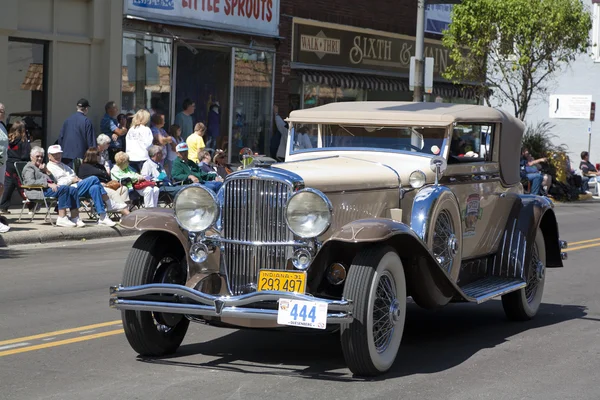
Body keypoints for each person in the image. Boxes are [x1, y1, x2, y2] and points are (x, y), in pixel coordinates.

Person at [45, 144, 117, 227]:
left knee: (95, 187)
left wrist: (75, 179)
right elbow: (58, 184)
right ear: (49, 156)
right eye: (55, 154)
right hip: (67, 190)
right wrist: (71, 180)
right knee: (94, 178)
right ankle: (109, 203)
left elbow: (75, 176)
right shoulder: (49, 167)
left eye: (59, 154)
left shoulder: (64, 166)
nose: (57, 156)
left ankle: (103, 216)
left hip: (76, 186)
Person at [22, 147, 81, 228]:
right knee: (64, 189)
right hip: (37, 191)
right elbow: (29, 182)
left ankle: (75, 217)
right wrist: (47, 184)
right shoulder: (29, 167)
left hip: (46, 189)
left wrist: (46, 171)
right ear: (31, 157)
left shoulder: (41, 167)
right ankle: (62, 218)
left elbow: (54, 181)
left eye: (41, 157)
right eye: (37, 156)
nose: (40, 158)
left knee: (72, 189)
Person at [78, 148, 129, 217]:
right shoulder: (84, 167)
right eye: (99, 155)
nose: (101, 156)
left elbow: (108, 179)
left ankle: (123, 216)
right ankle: (128, 214)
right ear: (93, 156)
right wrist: (100, 183)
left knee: (124, 189)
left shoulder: (100, 166)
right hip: (98, 189)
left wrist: (113, 183)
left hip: (108, 186)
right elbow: (85, 181)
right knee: (113, 193)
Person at [0, 121, 34, 215]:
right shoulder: (23, 140)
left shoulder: (8, 138)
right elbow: (25, 155)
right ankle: (31, 206)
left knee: (8, 186)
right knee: (22, 186)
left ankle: (3, 207)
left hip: (8, 164)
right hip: (19, 165)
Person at [58, 98, 96, 166]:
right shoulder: (86, 121)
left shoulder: (67, 120)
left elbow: (60, 138)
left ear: (77, 107)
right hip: (79, 157)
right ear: (86, 109)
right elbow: (91, 143)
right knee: (77, 176)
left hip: (65, 155)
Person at [0, 103, 8, 232]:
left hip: (2, 162)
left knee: (1, 187)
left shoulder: (2, 126)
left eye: (3, 111)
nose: (2, 113)